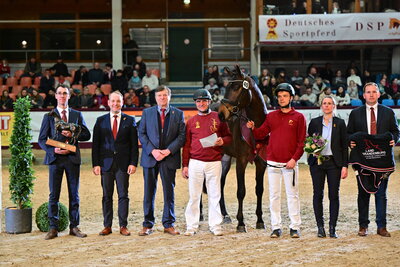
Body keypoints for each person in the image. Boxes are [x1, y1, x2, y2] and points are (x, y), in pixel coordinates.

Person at [246, 83, 306, 238]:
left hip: (290, 164)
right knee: (274, 196)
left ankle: (294, 226)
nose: (282, 99)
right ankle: (276, 227)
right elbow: (261, 134)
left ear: (291, 98)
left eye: (285, 96)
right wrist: (253, 128)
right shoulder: (271, 116)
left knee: (292, 195)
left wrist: (294, 159)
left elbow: (301, 143)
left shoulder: (299, 117)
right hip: (272, 163)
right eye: (279, 96)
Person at [38, 85, 91, 240]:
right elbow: (41, 139)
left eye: (65, 93)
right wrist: (52, 151)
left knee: (74, 194)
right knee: (54, 194)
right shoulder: (48, 116)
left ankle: (74, 226)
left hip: (72, 159)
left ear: (69, 96)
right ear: (56, 96)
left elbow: (86, 135)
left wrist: (73, 131)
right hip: (55, 159)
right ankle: (53, 228)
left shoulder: (77, 114)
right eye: (60, 93)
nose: (62, 96)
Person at [347, 82, 399, 237]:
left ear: (378, 94)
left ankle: (381, 227)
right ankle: (363, 226)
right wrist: (351, 141)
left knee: (381, 194)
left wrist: (394, 140)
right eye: (368, 92)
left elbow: (396, 131)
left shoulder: (388, 112)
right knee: (363, 193)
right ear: (363, 95)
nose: (371, 94)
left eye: (373, 92)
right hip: (363, 160)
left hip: (383, 161)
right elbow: (349, 133)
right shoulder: (355, 113)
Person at [181, 89, 231, 236]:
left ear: (209, 102)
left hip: (214, 162)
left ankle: (215, 225)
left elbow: (229, 136)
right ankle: (191, 225)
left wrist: (223, 140)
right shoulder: (191, 121)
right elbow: (187, 145)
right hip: (195, 162)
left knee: (215, 195)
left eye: (204, 101)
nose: (201, 103)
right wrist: (185, 165)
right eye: (198, 101)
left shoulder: (219, 118)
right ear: (195, 103)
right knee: (194, 196)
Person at [138, 85, 186, 236]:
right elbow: (142, 133)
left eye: (165, 95)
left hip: (169, 157)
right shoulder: (147, 113)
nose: (162, 98)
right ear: (155, 97)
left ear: (169, 96)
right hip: (151, 157)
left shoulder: (178, 114)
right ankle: (147, 224)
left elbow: (181, 136)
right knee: (148, 192)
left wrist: (167, 151)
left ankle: (168, 224)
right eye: (159, 96)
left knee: (169, 192)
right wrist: (153, 151)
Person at [92, 91, 139, 236]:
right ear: (108, 102)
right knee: (107, 195)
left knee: (123, 195)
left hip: (123, 164)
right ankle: (107, 225)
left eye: (118, 101)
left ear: (122, 103)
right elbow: (96, 144)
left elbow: (134, 145)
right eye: (113, 101)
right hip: (105, 164)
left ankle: (123, 225)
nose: (115, 104)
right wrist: (96, 164)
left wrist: (133, 163)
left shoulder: (130, 120)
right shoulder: (100, 120)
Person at [308, 95, 348, 238]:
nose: (326, 105)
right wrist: (312, 151)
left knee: (333, 195)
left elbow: (344, 147)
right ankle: (320, 227)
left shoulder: (340, 123)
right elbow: (309, 142)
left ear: (334, 106)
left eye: (329, 103)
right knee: (317, 194)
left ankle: (332, 228)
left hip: (334, 163)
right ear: (321, 106)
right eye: (324, 103)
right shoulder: (314, 122)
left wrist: (345, 166)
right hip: (317, 163)